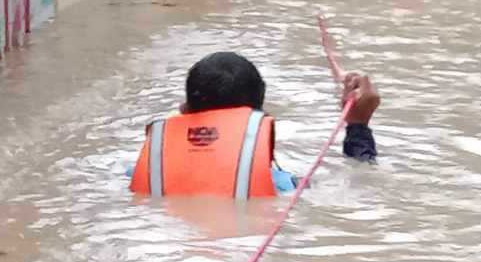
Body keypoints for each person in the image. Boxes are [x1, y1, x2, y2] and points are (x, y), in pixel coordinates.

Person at [129, 52, 380, 199]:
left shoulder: (142, 172)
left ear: (184, 112)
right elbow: (360, 179)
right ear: (259, 122)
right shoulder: (280, 183)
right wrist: (358, 126)